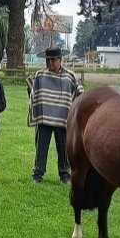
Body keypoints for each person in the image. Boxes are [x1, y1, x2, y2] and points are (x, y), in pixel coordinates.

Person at [27, 47, 83, 184]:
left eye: (53, 60)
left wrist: (72, 109)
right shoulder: (39, 75)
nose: (50, 63)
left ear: (60, 60)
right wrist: (40, 102)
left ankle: (65, 175)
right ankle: (38, 174)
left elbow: (80, 93)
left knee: (64, 149)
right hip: (44, 118)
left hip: (63, 119)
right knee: (41, 148)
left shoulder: (70, 76)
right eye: (47, 60)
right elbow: (30, 88)